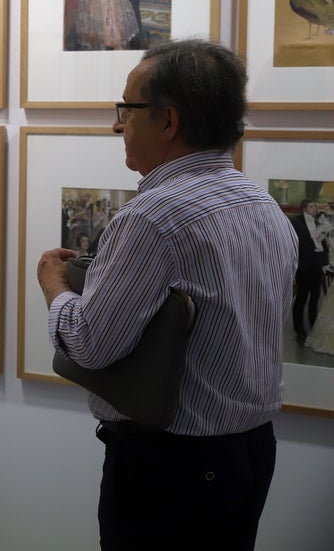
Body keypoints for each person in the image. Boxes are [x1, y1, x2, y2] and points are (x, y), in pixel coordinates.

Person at [36, 39, 297, 550]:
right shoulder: (264, 207)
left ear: (168, 121)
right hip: (249, 454)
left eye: (127, 110)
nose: (117, 125)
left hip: (171, 469)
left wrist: (53, 285)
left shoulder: (153, 218)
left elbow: (90, 344)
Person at [291, 198, 331, 341]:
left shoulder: (319, 221)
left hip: (317, 264)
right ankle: (299, 329)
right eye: (313, 206)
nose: (316, 209)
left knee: (315, 297)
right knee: (302, 297)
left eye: (316, 206)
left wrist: (324, 240)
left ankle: (314, 327)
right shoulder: (296, 221)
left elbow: (323, 243)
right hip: (304, 265)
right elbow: (297, 241)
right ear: (305, 208)